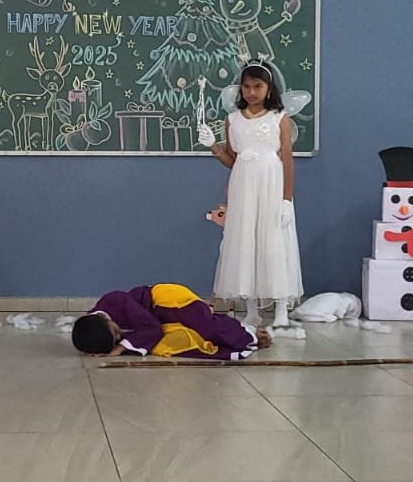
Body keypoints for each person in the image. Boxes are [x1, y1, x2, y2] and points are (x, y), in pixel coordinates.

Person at [198, 60, 304, 328]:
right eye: (246, 87)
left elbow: (287, 159)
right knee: (246, 241)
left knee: (273, 241)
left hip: (271, 184)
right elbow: (232, 159)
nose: (252, 92)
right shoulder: (232, 120)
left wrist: (286, 199)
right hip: (243, 186)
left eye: (258, 86)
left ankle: (281, 310)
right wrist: (213, 146)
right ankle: (252, 309)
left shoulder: (279, 118)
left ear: (268, 88)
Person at [70, 283, 271, 359]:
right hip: (155, 319)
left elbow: (153, 329)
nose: (119, 336)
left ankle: (249, 333)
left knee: (207, 328)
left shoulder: (115, 300)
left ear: (105, 320)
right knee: (181, 341)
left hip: (167, 301)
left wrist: (121, 347)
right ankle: (238, 329)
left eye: (115, 332)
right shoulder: (92, 326)